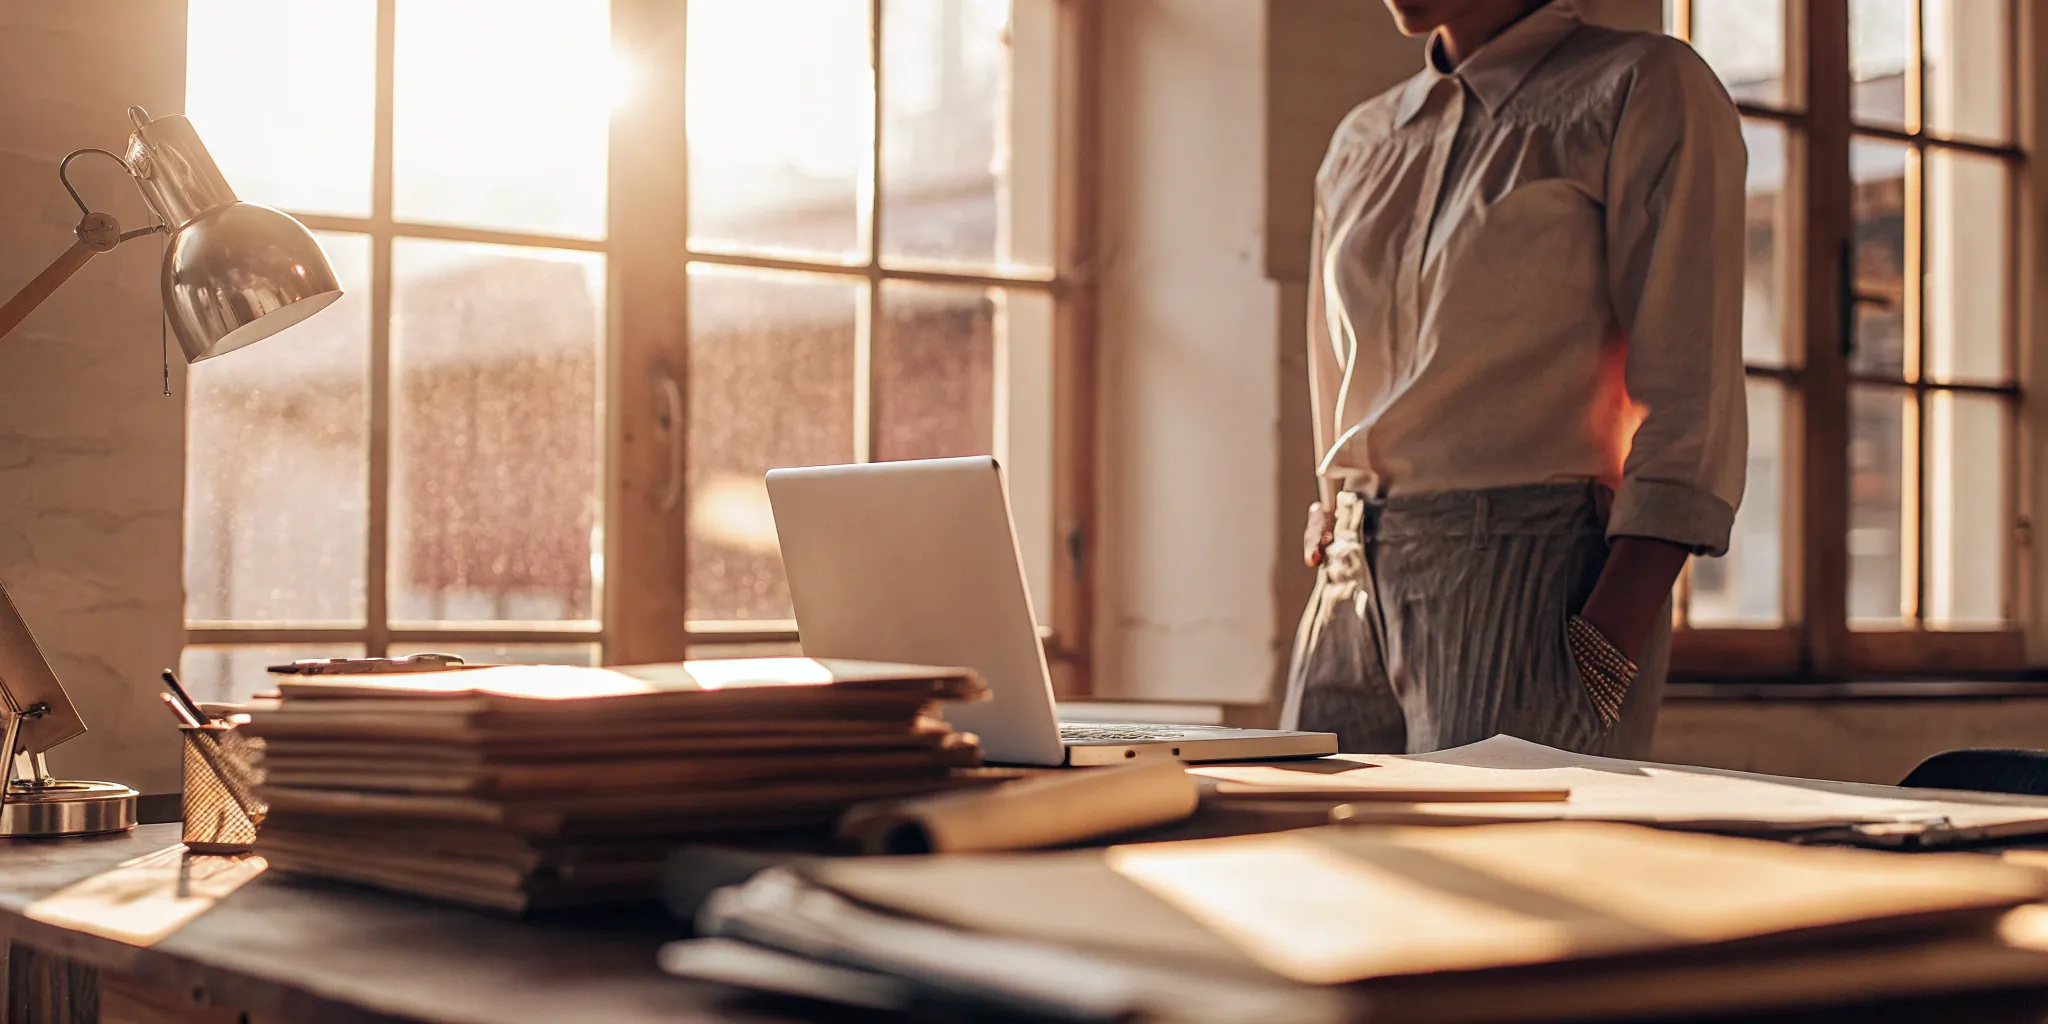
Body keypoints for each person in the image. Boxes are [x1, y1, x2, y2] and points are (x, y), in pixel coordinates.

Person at [1280, 0, 1747, 757]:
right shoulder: (1362, 141)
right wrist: (1334, 505)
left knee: (1488, 870)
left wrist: (1605, 645)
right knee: (1304, 862)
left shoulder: (1639, 86)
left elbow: (1694, 385)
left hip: (1532, 575)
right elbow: (1335, 370)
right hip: (1348, 578)